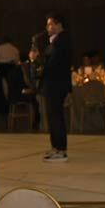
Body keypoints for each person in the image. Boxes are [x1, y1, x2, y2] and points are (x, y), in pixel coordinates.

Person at [41, 12, 72, 162]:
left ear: (59, 25)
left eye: (50, 24)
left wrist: (39, 61)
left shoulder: (62, 40)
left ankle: (61, 149)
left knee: (56, 117)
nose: (47, 27)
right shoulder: (58, 40)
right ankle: (56, 147)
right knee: (53, 117)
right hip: (54, 84)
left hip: (56, 84)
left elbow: (54, 63)